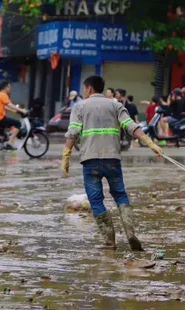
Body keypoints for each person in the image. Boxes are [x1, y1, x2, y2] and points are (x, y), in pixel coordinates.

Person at [60, 75, 163, 251]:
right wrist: (150, 143)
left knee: (96, 200)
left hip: (90, 161)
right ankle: (130, 233)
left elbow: (73, 132)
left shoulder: (80, 106)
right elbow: (131, 126)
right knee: (120, 195)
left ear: (89, 89)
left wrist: (66, 155)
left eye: (85, 89)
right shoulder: (116, 105)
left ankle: (109, 242)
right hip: (112, 159)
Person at [0, 80, 27, 150]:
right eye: (9, 87)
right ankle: (10, 143)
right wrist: (21, 110)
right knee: (18, 123)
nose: (10, 89)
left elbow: (5, 106)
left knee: (9, 124)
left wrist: (15, 111)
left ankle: (5, 140)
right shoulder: (3, 95)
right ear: (6, 87)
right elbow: (10, 105)